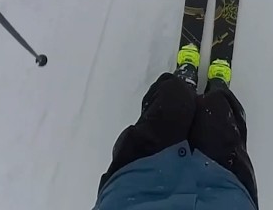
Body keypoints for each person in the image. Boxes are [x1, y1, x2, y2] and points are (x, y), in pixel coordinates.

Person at [93, 44, 258, 209]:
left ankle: (184, 80)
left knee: (173, 96)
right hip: (224, 189)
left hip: (136, 181)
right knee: (219, 110)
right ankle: (219, 89)